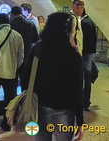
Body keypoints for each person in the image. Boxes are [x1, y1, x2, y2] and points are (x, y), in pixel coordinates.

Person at [22, 12, 84, 141]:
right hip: (64, 110)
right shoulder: (73, 56)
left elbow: (25, 77)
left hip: (38, 108)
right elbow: (77, 91)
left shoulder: (38, 48)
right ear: (67, 31)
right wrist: (80, 121)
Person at [9, 6, 39, 89]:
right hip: (26, 55)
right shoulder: (30, 23)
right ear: (21, 13)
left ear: (12, 14)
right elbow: (35, 39)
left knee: (12, 83)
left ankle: (13, 100)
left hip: (12, 57)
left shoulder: (10, 25)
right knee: (25, 81)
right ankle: (24, 99)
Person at [80, 1, 98, 112]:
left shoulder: (84, 23)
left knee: (84, 78)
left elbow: (83, 40)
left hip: (85, 53)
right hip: (89, 53)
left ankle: (84, 101)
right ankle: (86, 101)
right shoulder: (90, 21)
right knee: (86, 77)